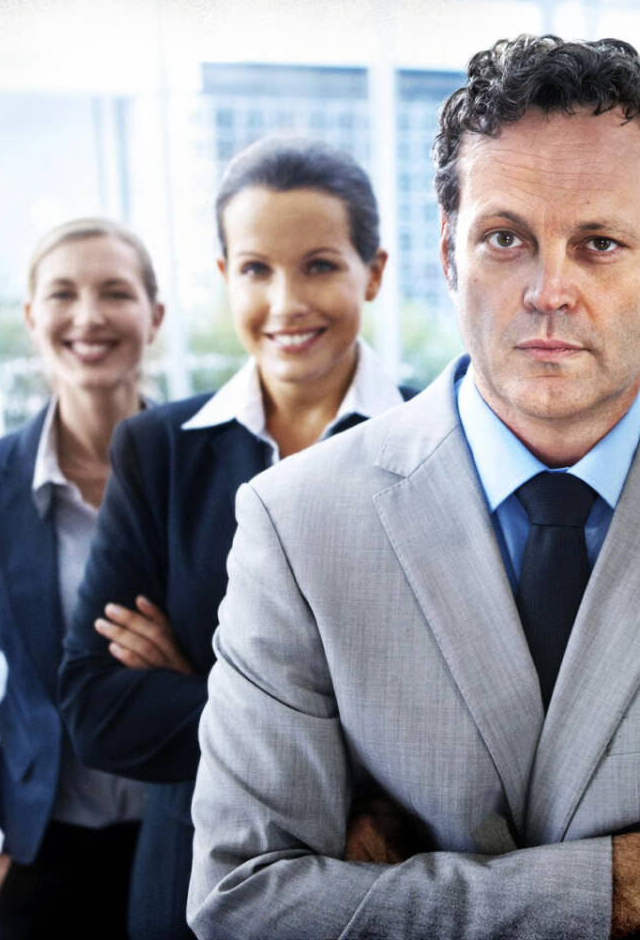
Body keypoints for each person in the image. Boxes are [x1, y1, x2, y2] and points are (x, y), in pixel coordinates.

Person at [188, 35, 640, 940]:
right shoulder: (298, 524)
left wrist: (400, 900)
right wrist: (620, 884)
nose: (547, 291)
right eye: (505, 238)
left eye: (599, 243)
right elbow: (245, 903)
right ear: (448, 252)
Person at [57, 138, 409, 940]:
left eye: (319, 264)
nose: (286, 302)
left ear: (375, 272)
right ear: (224, 278)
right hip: (191, 889)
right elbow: (98, 706)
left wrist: (203, 682)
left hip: (380, 885)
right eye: (256, 269)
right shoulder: (160, 451)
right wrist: (348, 752)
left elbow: (463, 726)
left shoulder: (442, 444)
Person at [0, 218, 163, 938]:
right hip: (45, 847)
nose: (88, 317)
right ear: (32, 318)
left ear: (154, 315)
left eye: (115, 293)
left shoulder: (207, 465)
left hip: (192, 831)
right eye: (63, 294)